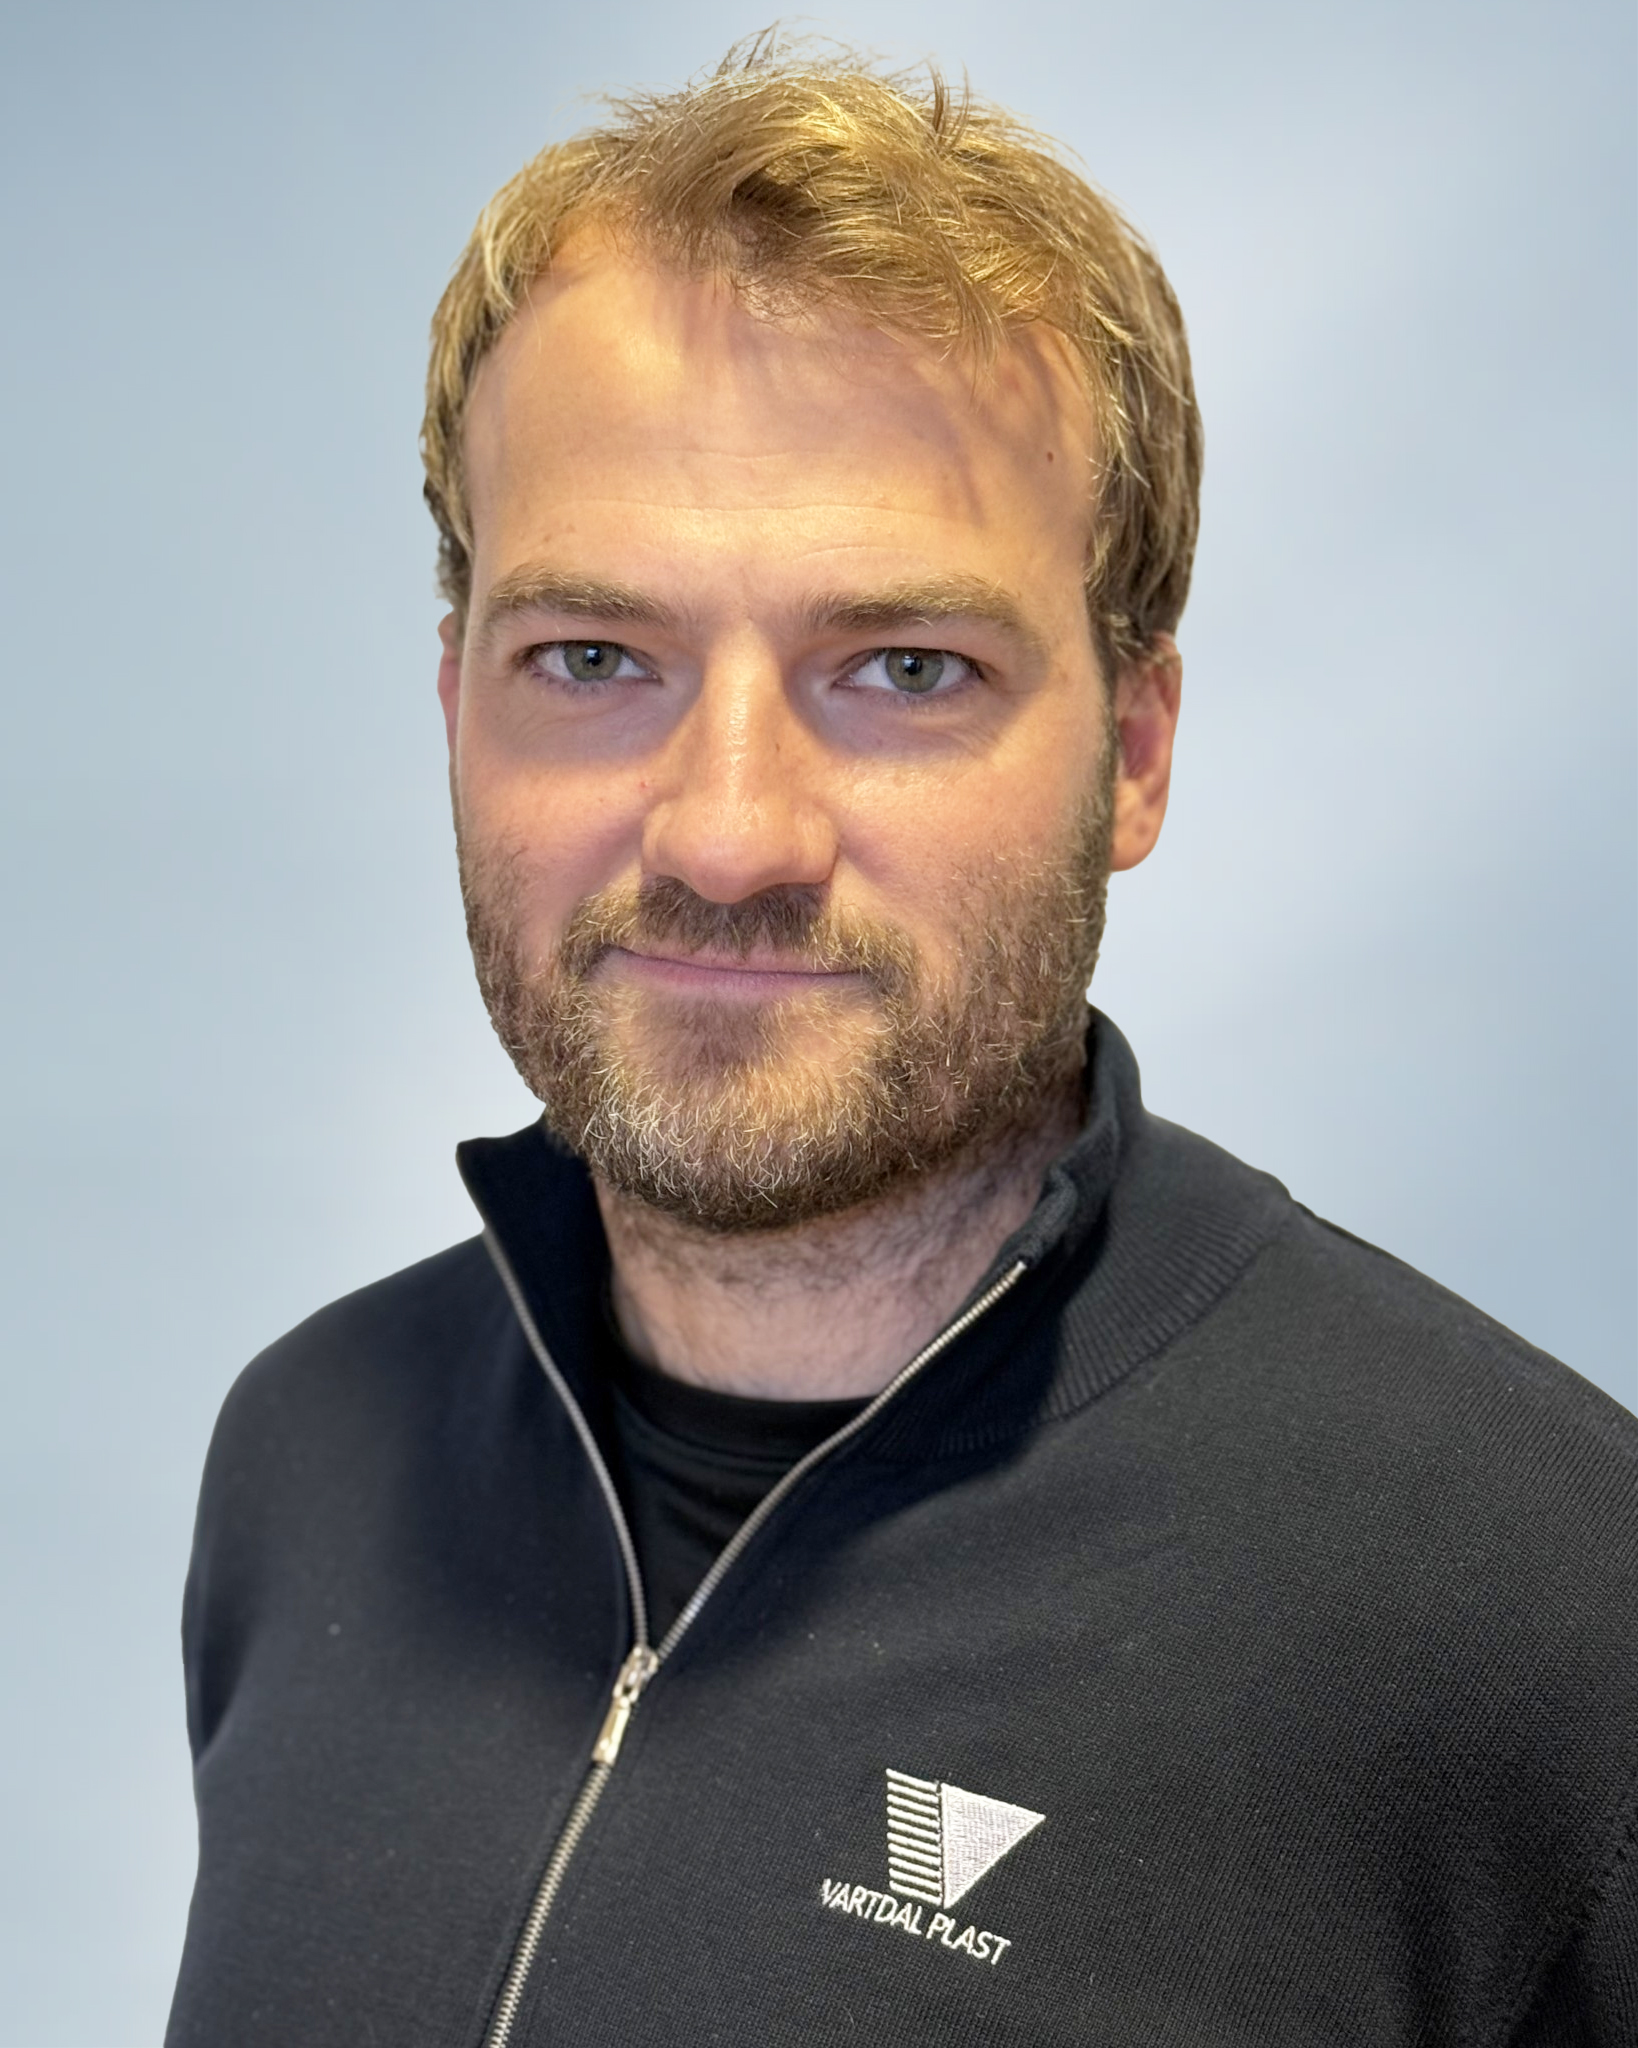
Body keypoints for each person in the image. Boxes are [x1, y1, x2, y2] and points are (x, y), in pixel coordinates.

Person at [165, 42, 1637, 2048]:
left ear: (1134, 751)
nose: (727, 836)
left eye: (903, 668)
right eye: (592, 659)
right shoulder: (314, 1461)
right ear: (456, 704)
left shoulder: (1540, 1614)